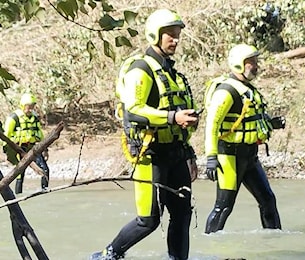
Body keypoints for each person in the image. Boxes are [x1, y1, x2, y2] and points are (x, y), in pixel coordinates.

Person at [90, 8, 200, 260]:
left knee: (182, 214)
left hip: (176, 153)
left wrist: (190, 153)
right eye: (170, 35)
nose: (175, 39)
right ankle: (109, 254)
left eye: (177, 35)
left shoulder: (173, 74)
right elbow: (134, 111)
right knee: (148, 220)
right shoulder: (142, 69)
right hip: (151, 155)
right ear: (155, 36)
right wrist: (174, 117)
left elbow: (179, 117)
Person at [203, 43, 286, 234]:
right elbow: (212, 125)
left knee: (268, 200)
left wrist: (270, 123)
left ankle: (274, 241)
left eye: (256, 61)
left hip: (250, 156)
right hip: (229, 156)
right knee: (223, 206)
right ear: (239, 64)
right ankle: (208, 243)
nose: (255, 66)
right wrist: (211, 157)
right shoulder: (226, 91)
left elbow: (247, 120)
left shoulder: (246, 89)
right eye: (251, 62)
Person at [3, 93, 50, 194]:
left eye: (32, 107)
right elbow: (5, 136)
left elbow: (40, 134)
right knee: (20, 173)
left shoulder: (34, 118)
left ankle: (44, 190)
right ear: (22, 106)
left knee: (45, 169)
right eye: (28, 107)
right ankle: (18, 194)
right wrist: (8, 151)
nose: (30, 110)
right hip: (18, 148)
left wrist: (45, 149)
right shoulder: (14, 118)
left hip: (32, 148)